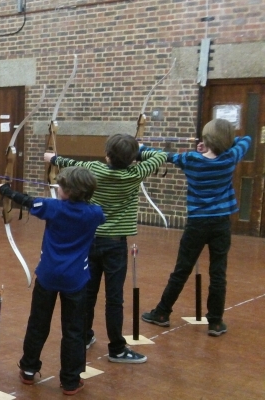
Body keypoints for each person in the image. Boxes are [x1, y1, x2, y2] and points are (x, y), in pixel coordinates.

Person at [45, 133, 167, 364]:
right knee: (114, 298)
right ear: (132, 159)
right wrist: (140, 150)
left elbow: (71, 164)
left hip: (90, 240)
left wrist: (53, 158)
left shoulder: (94, 169)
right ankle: (117, 349)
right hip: (115, 244)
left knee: (88, 293)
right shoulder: (137, 172)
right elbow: (160, 155)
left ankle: (84, 336)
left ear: (107, 155)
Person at [0, 167, 105, 395]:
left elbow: (26, 201)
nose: (57, 188)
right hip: (76, 279)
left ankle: (28, 369)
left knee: (38, 323)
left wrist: (5, 189)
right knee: (74, 330)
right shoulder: (95, 213)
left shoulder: (51, 207)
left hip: (48, 276)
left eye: (61, 186)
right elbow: (98, 211)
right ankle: (70, 380)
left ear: (68, 191)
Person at [142, 119, 251, 336]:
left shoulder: (191, 159)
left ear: (207, 139)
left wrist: (141, 148)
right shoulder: (231, 156)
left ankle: (162, 313)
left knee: (182, 269)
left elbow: (164, 155)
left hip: (197, 223)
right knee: (218, 272)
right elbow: (245, 139)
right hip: (220, 223)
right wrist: (220, 145)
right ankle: (216, 322)